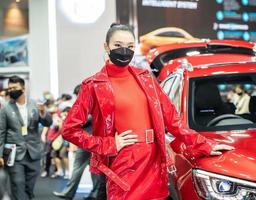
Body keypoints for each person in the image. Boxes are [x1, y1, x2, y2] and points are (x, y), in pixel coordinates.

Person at [62, 23, 234, 200]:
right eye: (118, 45)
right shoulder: (93, 85)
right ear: (106, 46)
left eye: (130, 46)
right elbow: (69, 129)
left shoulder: (145, 79)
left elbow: (172, 120)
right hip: (124, 164)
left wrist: (204, 145)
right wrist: (108, 144)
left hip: (154, 162)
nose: (124, 51)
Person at [0, 75, 53, 200]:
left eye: (14, 87)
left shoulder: (35, 105)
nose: (11, 90)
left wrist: (43, 113)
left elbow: (48, 123)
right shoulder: (5, 109)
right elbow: (1, 132)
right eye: (10, 88)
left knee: (29, 188)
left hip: (33, 152)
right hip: (13, 153)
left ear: (23, 89)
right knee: (17, 185)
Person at [53, 85, 106, 200]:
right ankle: (93, 194)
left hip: (89, 141)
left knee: (82, 168)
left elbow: (82, 121)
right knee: (94, 169)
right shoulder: (89, 104)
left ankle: (69, 193)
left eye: (78, 94)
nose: (77, 97)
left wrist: (72, 119)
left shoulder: (90, 105)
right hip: (90, 141)